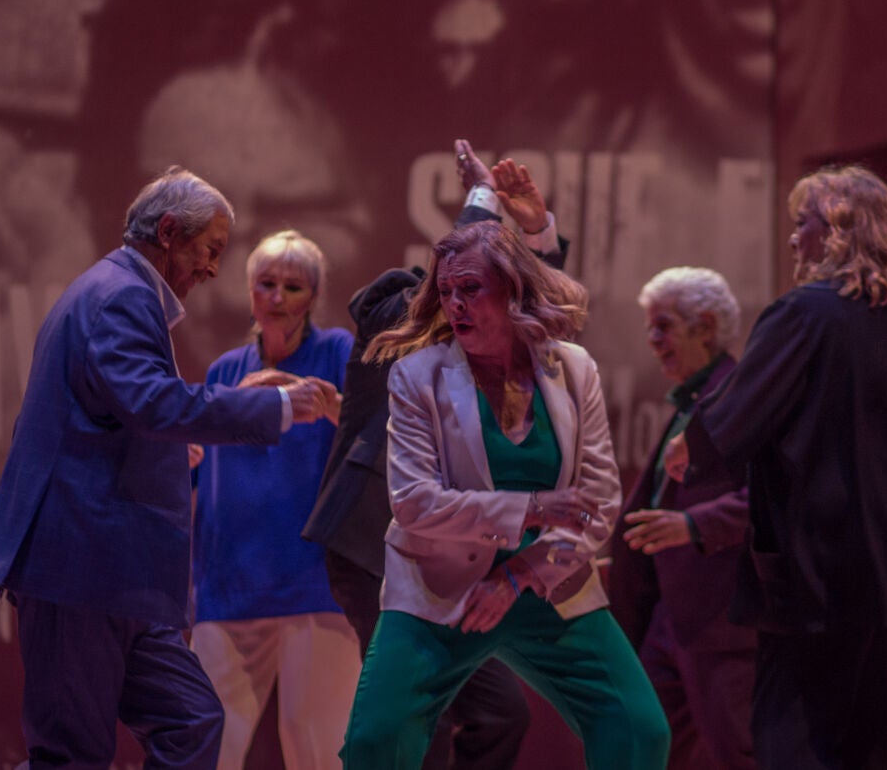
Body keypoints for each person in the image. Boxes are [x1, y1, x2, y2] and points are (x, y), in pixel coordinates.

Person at [0, 167, 340, 768]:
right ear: (169, 231)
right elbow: (150, 403)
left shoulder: (118, 293)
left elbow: (119, 415)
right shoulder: (120, 295)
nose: (213, 269)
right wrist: (276, 405)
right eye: (210, 249)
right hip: (79, 564)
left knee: (192, 721)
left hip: (119, 571)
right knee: (71, 756)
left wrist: (174, 448)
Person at [680, 165, 887, 770]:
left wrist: (691, 448)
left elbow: (726, 430)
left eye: (804, 224)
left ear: (839, 234)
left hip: (817, 586)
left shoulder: (802, 316)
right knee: (879, 756)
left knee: (794, 748)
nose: (794, 239)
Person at [339, 221, 669, 770]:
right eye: (446, 291)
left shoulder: (573, 368)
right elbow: (415, 503)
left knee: (639, 730)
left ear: (513, 289)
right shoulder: (417, 376)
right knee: (375, 744)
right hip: (441, 587)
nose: (455, 304)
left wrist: (517, 576)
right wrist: (532, 508)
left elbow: (599, 499)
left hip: (546, 583)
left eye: (471, 288)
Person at [303, 140, 564, 770]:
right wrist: (483, 198)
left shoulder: (481, 341)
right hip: (375, 545)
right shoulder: (392, 320)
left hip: (443, 555)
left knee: (500, 713)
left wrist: (536, 231)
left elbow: (539, 311)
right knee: (417, 715)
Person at [189, 230, 360, 770]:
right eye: (267, 283)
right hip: (230, 583)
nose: (278, 296)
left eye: (294, 285)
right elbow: (199, 468)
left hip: (316, 582)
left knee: (317, 748)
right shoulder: (225, 371)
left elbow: (379, 436)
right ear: (249, 292)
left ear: (314, 296)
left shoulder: (336, 352)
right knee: (205, 744)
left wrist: (329, 403)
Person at [607, 267, 756, 770]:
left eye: (663, 326)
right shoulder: (692, 401)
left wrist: (692, 525)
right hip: (670, 615)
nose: (652, 340)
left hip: (720, 618)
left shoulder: (741, 398)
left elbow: (774, 500)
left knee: (740, 754)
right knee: (644, 747)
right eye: (650, 327)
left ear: (706, 326)